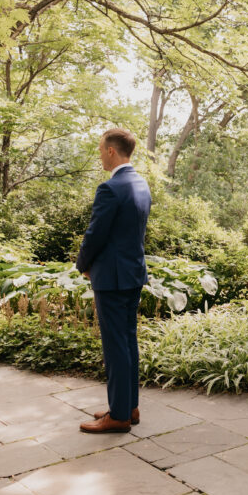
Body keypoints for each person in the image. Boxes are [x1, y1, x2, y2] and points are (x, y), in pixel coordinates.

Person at [76, 128, 152, 434]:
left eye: (100, 149)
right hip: (133, 274)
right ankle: (128, 407)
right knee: (127, 342)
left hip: (112, 278)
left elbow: (97, 233)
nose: (99, 154)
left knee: (115, 346)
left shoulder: (111, 188)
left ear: (111, 151)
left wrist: (82, 264)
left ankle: (119, 416)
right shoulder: (140, 184)